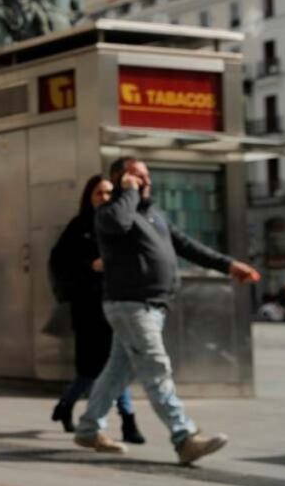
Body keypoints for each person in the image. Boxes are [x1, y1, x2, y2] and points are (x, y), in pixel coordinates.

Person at [74, 157, 261, 464]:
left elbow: (188, 246)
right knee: (156, 367)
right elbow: (118, 222)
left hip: (152, 306)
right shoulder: (111, 212)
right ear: (122, 179)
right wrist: (128, 192)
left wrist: (228, 265)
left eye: (146, 175)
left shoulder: (154, 215)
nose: (145, 180)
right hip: (130, 305)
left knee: (117, 371)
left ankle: (88, 427)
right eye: (136, 175)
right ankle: (184, 436)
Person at [48, 175, 143, 444]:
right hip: (89, 307)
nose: (104, 198)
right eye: (99, 193)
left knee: (116, 363)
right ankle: (69, 406)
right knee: (92, 368)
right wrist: (90, 265)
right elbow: (61, 261)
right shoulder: (79, 227)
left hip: (119, 302)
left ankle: (126, 420)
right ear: (89, 197)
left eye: (109, 193)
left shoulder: (120, 224)